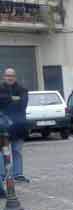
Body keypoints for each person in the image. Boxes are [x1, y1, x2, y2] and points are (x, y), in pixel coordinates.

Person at [0, 68, 30, 197]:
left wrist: (8, 100)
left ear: (15, 77)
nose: (9, 77)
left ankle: (18, 174)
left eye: (12, 75)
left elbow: (23, 103)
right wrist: (12, 99)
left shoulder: (22, 89)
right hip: (3, 126)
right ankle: (2, 175)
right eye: (7, 75)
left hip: (19, 125)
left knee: (17, 151)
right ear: (4, 76)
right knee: (2, 153)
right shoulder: (0, 88)